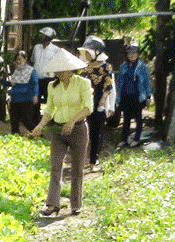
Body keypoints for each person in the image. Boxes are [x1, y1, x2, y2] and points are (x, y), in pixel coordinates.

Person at [29, 47, 93, 217]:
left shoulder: (82, 83)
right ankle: (52, 204)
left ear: (69, 69)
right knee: (56, 167)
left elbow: (88, 107)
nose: (57, 73)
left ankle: (75, 204)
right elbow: (50, 109)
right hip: (58, 130)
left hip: (78, 129)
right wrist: (40, 126)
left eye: (60, 69)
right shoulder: (52, 86)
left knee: (77, 169)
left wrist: (72, 121)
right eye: (56, 70)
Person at [77, 36, 114, 169]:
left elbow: (108, 86)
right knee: (81, 131)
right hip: (83, 103)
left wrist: (103, 102)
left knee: (96, 132)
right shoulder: (83, 67)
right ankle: (80, 158)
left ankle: (93, 159)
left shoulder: (106, 67)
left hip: (98, 102)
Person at [116, 44, 152, 148]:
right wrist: (118, 97)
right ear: (126, 55)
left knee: (138, 118)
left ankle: (136, 139)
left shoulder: (142, 67)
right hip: (125, 96)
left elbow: (147, 82)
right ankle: (124, 140)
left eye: (134, 53)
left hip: (138, 96)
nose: (131, 55)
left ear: (138, 55)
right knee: (126, 119)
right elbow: (119, 82)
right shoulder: (123, 66)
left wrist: (148, 96)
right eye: (129, 53)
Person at [0, 51, 39, 135]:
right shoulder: (16, 71)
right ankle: (15, 137)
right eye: (17, 59)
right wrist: (2, 80)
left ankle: (38, 133)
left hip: (26, 99)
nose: (18, 61)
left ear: (25, 59)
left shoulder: (31, 71)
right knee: (14, 121)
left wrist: (35, 95)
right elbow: (11, 83)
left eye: (20, 59)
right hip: (14, 99)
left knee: (26, 121)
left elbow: (35, 83)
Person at [31, 27, 59, 110]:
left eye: (43, 35)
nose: (41, 37)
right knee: (35, 100)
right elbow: (33, 60)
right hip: (36, 78)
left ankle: (51, 119)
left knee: (50, 100)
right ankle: (35, 120)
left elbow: (58, 64)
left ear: (48, 37)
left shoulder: (56, 49)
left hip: (49, 79)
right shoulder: (36, 47)